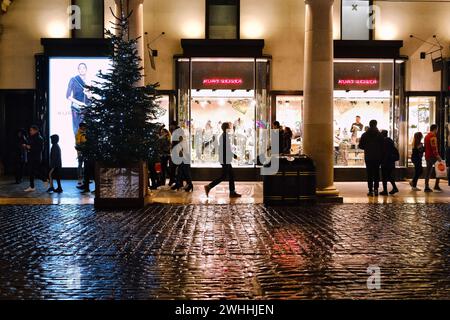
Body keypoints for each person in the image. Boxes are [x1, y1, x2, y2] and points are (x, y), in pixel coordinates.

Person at [204, 122, 242, 198]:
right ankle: (209, 186)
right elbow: (226, 149)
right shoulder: (225, 136)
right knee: (223, 176)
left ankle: (232, 192)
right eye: (229, 127)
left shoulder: (224, 136)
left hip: (225, 158)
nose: (230, 128)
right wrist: (235, 156)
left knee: (231, 175)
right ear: (226, 128)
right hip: (225, 159)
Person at [359, 120, 383, 196]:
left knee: (369, 174)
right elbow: (383, 145)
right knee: (376, 173)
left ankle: (370, 190)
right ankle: (376, 189)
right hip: (377, 157)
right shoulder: (379, 134)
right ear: (376, 124)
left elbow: (361, 146)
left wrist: (367, 147)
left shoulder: (365, 135)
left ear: (369, 125)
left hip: (368, 156)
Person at [66, 63, 91, 136]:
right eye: (80, 68)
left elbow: (90, 97)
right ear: (78, 70)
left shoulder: (89, 81)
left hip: (86, 107)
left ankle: (86, 146)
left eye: (83, 68)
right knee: (76, 127)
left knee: (86, 128)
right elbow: (68, 96)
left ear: (86, 70)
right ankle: (78, 145)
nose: (82, 70)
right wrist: (80, 103)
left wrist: (87, 93)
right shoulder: (73, 80)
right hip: (76, 107)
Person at [24, 125, 46, 192]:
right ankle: (32, 186)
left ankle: (45, 180)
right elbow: (30, 146)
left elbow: (40, 149)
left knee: (36, 172)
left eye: (31, 130)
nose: (30, 131)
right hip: (30, 157)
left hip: (36, 158)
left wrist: (30, 147)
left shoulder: (40, 138)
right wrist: (26, 146)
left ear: (36, 130)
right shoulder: (31, 137)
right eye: (30, 130)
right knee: (31, 172)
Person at [380, 130, 399, 196]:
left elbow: (383, 152)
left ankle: (386, 190)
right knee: (389, 176)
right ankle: (394, 188)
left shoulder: (382, 142)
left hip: (385, 161)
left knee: (385, 176)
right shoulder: (390, 141)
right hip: (391, 161)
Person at [424, 124, 442, 192]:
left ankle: (426, 186)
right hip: (433, 156)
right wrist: (438, 156)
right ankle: (436, 185)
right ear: (435, 129)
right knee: (440, 169)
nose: (437, 130)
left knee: (428, 172)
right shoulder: (433, 137)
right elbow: (434, 148)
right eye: (437, 129)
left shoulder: (426, 136)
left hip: (427, 156)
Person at [168, 121, 180, 186]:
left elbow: (175, 142)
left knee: (173, 167)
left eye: (170, 125)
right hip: (178, 151)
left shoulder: (176, 131)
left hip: (176, 151)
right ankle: (175, 181)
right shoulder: (178, 130)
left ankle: (173, 181)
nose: (170, 127)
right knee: (176, 167)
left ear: (173, 125)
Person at [75, 122, 87, 187]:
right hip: (81, 152)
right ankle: (79, 179)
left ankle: (85, 179)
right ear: (81, 127)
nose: (85, 128)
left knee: (84, 165)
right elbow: (78, 143)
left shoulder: (84, 133)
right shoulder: (79, 134)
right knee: (80, 165)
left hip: (85, 151)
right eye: (84, 127)